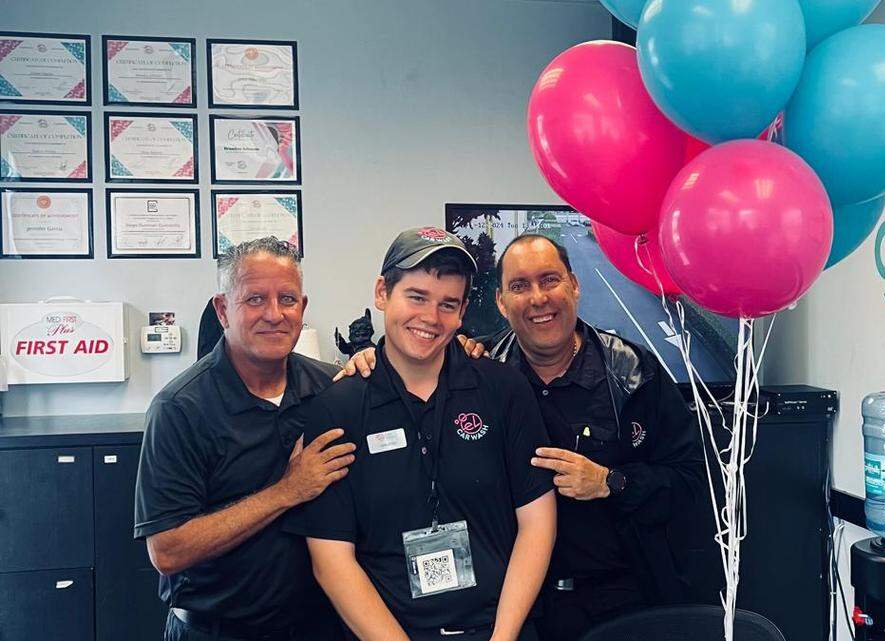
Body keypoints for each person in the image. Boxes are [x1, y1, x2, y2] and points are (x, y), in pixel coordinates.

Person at [342, 233, 704, 641]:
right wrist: (371, 361)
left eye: (549, 280)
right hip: (517, 609)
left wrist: (611, 482)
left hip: (622, 601)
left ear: (574, 285)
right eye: (519, 286)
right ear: (501, 302)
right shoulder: (481, 373)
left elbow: (692, 485)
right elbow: (414, 354)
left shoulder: (635, 373)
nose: (538, 298)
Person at [284, 227, 557, 641]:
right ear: (382, 293)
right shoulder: (338, 409)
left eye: (448, 304)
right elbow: (331, 559)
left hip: (500, 629)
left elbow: (537, 522)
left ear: (463, 312)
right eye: (416, 297)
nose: (431, 318)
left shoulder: (504, 389)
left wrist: (503, 636)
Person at [134, 237, 355, 640]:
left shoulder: (331, 386)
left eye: (287, 299)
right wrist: (288, 491)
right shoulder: (179, 409)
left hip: (318, 626)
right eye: (255, 299)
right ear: (222, 310)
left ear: (302, 307)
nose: (274, 314)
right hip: (216, 631)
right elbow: (167, 550)